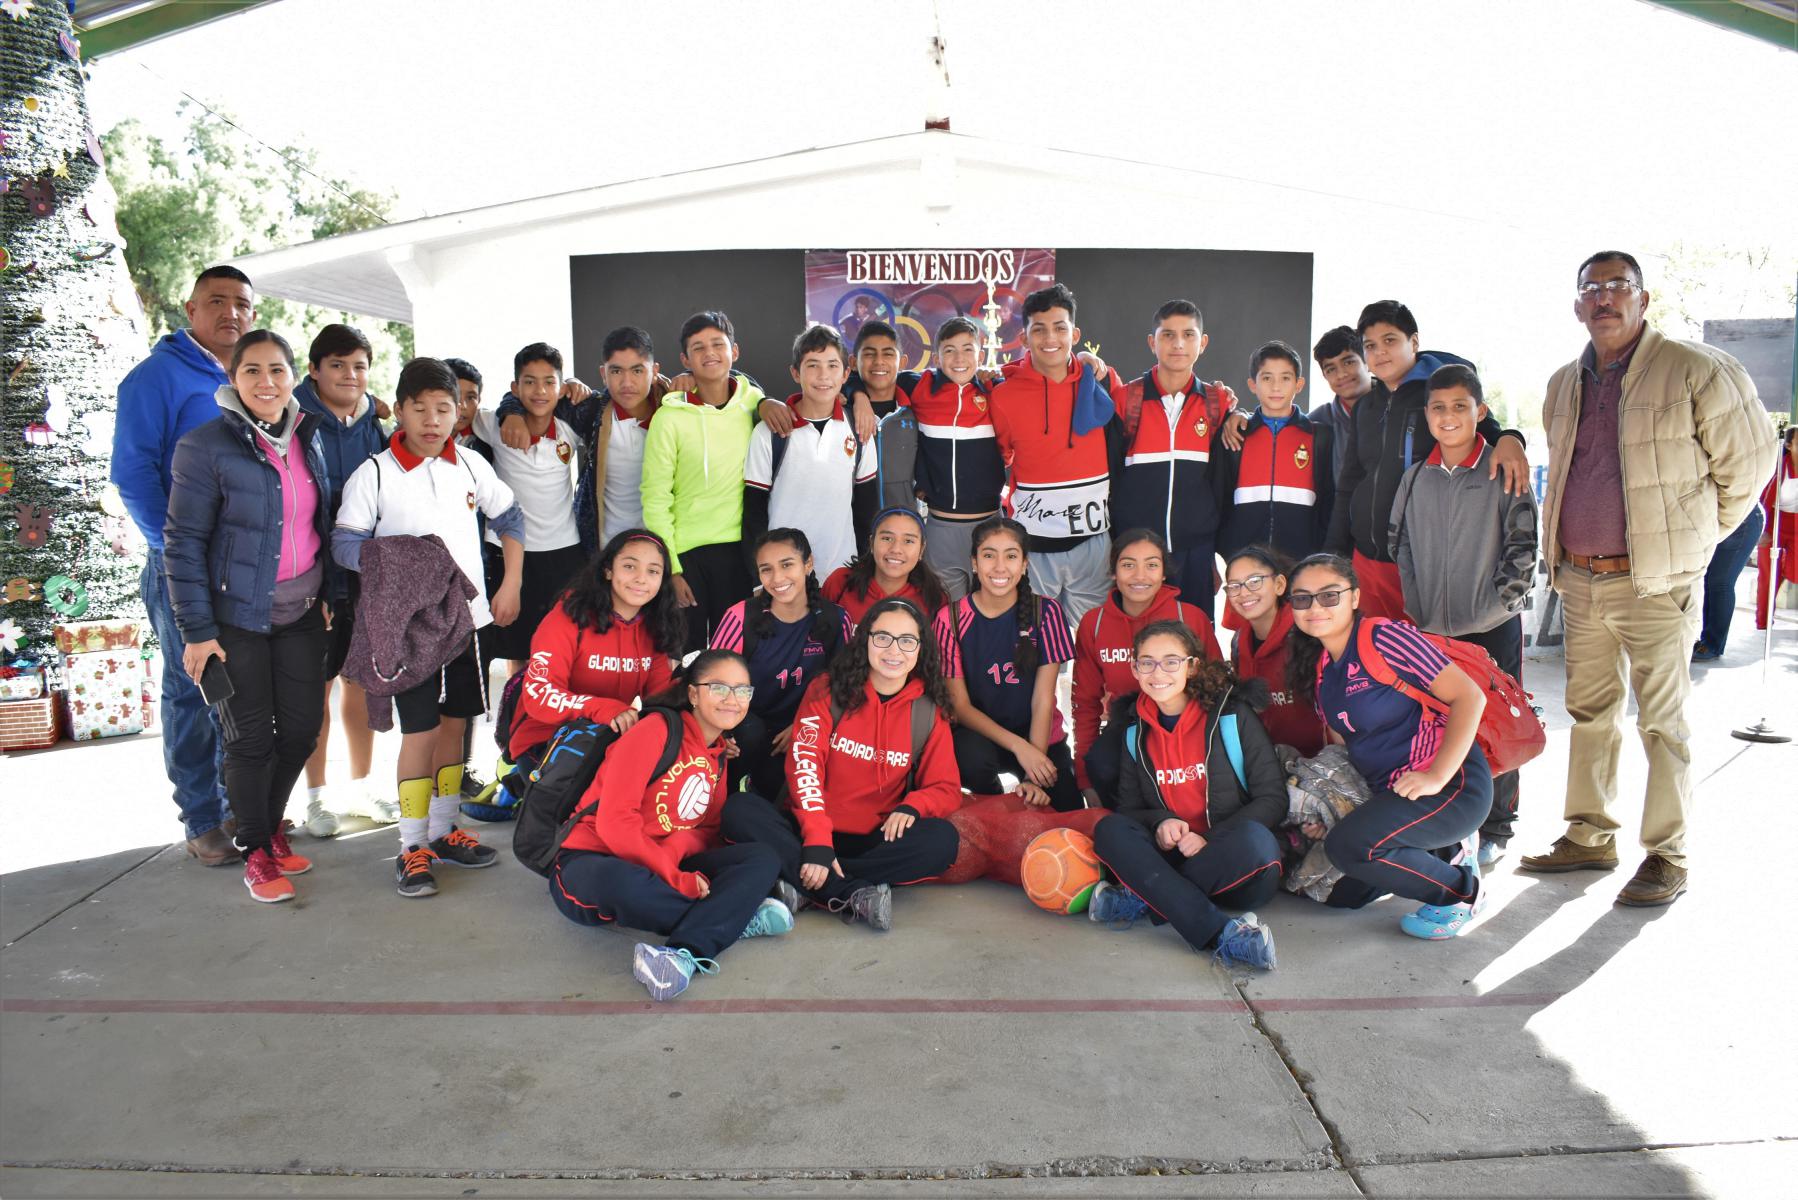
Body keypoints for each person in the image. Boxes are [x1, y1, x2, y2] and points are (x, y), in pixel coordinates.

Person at [1520, 251, 1775, 906]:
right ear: (1577, 304)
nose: (1605, 298)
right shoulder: (1563, 383)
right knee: (1590, 714)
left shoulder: (1696, 369)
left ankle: (1668, 853)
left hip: (1656, 584)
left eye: (1618, 286)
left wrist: (1687, 545)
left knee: (1663, 722)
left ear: (1643, 298)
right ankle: (1590, 833)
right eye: (1592, 288)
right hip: (1579, 580)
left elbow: (1749, 469)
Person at [332, 357, 526, 899]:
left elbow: (509, 517)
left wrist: (509, 583)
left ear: (459, 412)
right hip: (409, 632)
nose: (434, 420)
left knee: (455, 727)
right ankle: (410, 844)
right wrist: (400, 559)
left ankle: (443, 831)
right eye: (421, 409)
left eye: (445, 408)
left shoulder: (469, 465)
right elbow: (344, 545)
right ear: (400, 410)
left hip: (464, 622)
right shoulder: (373, 474)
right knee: (419, 732)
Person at [162, 330, 332, 903]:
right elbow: (182, 542)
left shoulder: (310, 437)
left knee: (303, 730)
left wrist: (331, 590)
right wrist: (197, 632)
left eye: (277, 370)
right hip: (236, 619)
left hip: (303, 611)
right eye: (252, 371)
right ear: (232, 379)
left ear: (293, 376)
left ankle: (267, 827)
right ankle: (255, 850)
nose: (266, 382)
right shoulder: (204, 446)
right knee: (250, 740)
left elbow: (323, 522)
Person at [112, 265, 257, 866]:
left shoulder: (254, 372)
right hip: (183, 565)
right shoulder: (156, 378)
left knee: (239, 686)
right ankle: (201, 817)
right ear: (190, 308)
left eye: (241, 304)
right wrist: (173, 552)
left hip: (243, 565)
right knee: (191, 688)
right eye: (216, 302)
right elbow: (132, 473)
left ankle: (237, 806)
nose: (230, 313)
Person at [549, 649, 793, 1002]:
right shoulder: (655, 731)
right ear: (693, 693)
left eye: (743, 691)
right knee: (623, 883)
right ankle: (733, 918)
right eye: (719, 687)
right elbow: (615, 824)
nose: (733, 700)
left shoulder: (719, 754)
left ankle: (681, 953)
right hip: (593, 858)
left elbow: (707, 831)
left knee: (762, 859)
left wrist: (672, 853)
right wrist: (675, 876)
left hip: (662, 860)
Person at [721, 597, 962, 931]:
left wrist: (913, 806)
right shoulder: (828, 690)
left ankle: (806, 883)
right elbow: (805, 765)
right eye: (882, 637)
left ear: (920, 648)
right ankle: (847, 891)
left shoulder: (928, 710)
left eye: (907, 641)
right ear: (865, 640)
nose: (894, 650)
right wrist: (818, 841)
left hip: (873, 837)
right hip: (808, 826)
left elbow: (946, 787)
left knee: (943, 840)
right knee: (739, 809)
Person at [1285, 554, 1492, 939]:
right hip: (1395, 794)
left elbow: (1470, 697)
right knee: (1342, 886)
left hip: (1451, 785)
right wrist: (1329, 810)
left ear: (1355, 597)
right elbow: (1348, 748)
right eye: (1303, 599)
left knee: (1351, 847)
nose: (1315, 607)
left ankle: (1462, 893)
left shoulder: (1383, 637)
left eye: (1329, 596)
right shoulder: (1322, 669)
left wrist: (1436, 775)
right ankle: (1447, 852)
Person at [1390, 364, 1538, 864]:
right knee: (1440, 723)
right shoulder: (1415, 478)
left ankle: (1498, 826)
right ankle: (1449, 822)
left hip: (1492, 626)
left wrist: (1496, 605)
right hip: (1432, 630)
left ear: (1480, 411)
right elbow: (1401, 544)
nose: (1449, 417)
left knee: (1501, 723)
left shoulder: (1502, 469)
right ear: (1427, 415)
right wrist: (1418, 607)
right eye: (1438, 407)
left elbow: (1524, 545)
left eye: (1460, 406)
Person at [1087, 621, 1285, 970]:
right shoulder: (1134, 731)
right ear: (1134, 669)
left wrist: (1208, 839)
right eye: (1146, 662)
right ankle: (1223, 934)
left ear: (1192, 665)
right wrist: (1161, 821)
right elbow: (1130, 809)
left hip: (1230, 863)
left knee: (1256, 840)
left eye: (1171, 661)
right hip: (1174, 859)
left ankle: (1144, 900)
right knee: (1109, 829)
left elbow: (1272, 798)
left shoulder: (1231, 716)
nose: (1157, 672)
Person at [1326, 300, 1529, 621]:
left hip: (1427, 566)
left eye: (1390, 340)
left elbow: (1490, 431)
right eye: (1370, 345)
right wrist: (1334, 555)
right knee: (1377, 664)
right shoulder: (1366, 407)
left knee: (1429, 665)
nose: (1380, 352)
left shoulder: (1440, 395)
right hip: (1367, 563)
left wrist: (1512, 437)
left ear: (1414, 342)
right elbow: (1349, 484)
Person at [640, 311, 797, 652]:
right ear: (685, 359)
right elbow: (654, 497)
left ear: (734, 352)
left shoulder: (754, 403)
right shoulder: (668, 419)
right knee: (687, 657)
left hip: (740, 552)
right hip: (687, 554)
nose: (709, 353)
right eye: (698, 348)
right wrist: (671, 569)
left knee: (738, 655)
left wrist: (768, 401)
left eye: (717, 344)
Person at [295, 323, 391, 837]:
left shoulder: (372, 423)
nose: (349, 375)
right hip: (311, 578)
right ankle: (316, 798)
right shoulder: (294, 420)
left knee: (363, 686)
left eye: (358, 366)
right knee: (316, 690)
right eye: (337, 365)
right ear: (314, 370)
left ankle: (362, 785)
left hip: (363, 575)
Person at [988, 283, 1119, 627]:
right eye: (1039, 329)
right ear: (1024, 336)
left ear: (1074, 333)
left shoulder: (1102, 381)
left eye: (1060, 328)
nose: (1050, 338)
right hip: (1034, 543)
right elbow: (1000, 457)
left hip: (1093, 543)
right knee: (1038, 646)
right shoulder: (1003, 395)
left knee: (1096, 641)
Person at [507, 529, 684, 772]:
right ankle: (517, 786)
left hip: (608, 739)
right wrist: (602, 708)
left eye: (653, 571)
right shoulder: (569, 615)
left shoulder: (654, 625)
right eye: (630, 566)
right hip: (546, 740)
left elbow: (662, 698)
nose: (642, 578)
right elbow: (540, 693)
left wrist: (705, 728)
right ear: (608, 570)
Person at [935, 517, 1081, 810]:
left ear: (1025, 564)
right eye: (989, 555)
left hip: (1039, 735)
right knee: (970, 758)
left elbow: (1043, 699)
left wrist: (1033, 770)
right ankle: (995, 802)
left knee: (1069, 815)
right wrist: (1018, 747)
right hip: (982, 736)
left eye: (1011, 556)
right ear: (974, 563)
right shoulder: (949, 619)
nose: (1000, 567)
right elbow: (960, 708)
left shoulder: (1046, 613)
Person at [1072, 529, 1221, 805]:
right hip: (1128, 726)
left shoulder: (1189, 617)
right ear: (1113, 572)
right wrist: (1085, 778)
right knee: (1102, 765)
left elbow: (1219, 687)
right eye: (1128, 565)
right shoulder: (1094, 624)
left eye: (1151, 565)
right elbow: (1085, 704)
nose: (1140, 576)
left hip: (1186, 727)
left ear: (1164, 572)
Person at [1109, 299, 1237, 618]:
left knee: (1195, 640)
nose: (1178, 344)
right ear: (1153, 342)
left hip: (1195, 551)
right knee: (1138, 641)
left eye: (1188, 335)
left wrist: (1241, 414)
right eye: (1167, 335)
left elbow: (1221, 479)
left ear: (1202, 343)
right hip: (1137, 552)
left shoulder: (1217, 403)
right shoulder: (1126, 399)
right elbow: (1108, 476)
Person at [471, 343, 589, 678]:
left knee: (564, 647)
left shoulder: (571, 428)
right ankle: (516, 721)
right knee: (517, 648)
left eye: (549, 382)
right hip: (508, 549)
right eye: (529, 382)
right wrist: (510, 411)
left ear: (561, 388)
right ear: (514, 388)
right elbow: (460, 414)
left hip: (564, 551)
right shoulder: (495, 424)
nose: (540, 391)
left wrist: (579, 386)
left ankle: (557, 723)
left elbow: (600, 404)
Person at [709, 528, 852, 801]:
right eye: (766, 569)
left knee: (779, 792)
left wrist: (804, 725)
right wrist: (719, 735)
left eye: (787, 565)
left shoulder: (835, 620)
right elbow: (710, 683)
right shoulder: (741, 617)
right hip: (742, 728)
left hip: (801, 732)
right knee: (750, 734)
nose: (777, 578)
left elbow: (846, 686)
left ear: (808, 564)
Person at [872, 315, 1003, 600]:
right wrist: (856, 395)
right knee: (947, 618)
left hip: (990, 526)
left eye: (968, 349)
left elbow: (1032, 374)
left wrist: (1085, 360)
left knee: (994, 614)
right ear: (936, 356)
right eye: (949, 350)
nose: (959, 358)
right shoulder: (919, 387)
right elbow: (870, 378)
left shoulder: (995, 391)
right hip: (941, 527)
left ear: (980, 354)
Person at [744, 324, 878, 580]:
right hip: (783, 577)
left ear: (845, 373)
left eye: (832, 365)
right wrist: (757, 580)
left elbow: (866, 510)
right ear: (796, 372)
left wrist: (863, 568)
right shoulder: (769, 432)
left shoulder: (860, 431)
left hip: (842, 572)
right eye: (813, 365)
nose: (823, 375)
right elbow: (754, 515)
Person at [1217, 340, 1333, 565]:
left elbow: (1329, 500)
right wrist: (1227, 550)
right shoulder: (1236, 434)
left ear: (1299, 384)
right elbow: (1220, 498)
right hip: (1244, 561)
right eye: (1267, 378)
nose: (1276, 387)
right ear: (1253, 384)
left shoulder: (1320, 436)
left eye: (1285, 378)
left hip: (1303, 561)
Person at [1222, 546, 1325, 755]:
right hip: (1271, 761)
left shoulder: (1309, 634)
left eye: (1254, 581)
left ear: (1279, 584)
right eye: (1234, 586)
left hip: (1322, 764)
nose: (1243, 593)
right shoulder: (1238, 642)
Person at [821, 506, 950, 629]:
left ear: (921, 550)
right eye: (887, 538)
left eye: (908, 541)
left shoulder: (934, 598)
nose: (896, 549)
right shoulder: (841, 582)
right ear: (872, 543)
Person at [1694, 502, 1766, 662]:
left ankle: (1713, 645)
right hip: (1728, 518)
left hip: (1742, 519)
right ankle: (1707, 641)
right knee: (1710, 580)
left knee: (1721, 583)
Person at [1308, 326, 1373, 487]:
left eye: (1349, 362)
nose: (1341, 374)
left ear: (1368, 362)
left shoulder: (1398, 410)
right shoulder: (1316, 422)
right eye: (1331, 369)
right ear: (1324, 376)